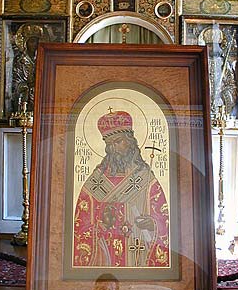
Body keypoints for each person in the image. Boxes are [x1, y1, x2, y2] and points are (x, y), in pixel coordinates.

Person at [73, 108, 170, 268]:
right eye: (109, 144)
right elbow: (80, 225)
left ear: (130, 141)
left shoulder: (146, 178)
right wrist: (100, 226)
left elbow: (164, 219)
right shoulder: (96, 180)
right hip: (105, 256)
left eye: (118, 141)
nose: (114, 148)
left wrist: (152, 224)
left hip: (138, 255)